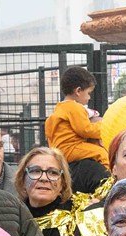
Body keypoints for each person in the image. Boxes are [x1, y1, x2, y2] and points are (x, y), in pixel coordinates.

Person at [46, 66, 110, 195]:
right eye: (88, 93)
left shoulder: (60, 108)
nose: (89, 98)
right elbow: (86, 130)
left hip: (59, 150)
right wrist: (104, 126)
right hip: (71, 148)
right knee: (101, 153)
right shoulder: (75, 107)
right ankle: (110, 180)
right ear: (78, 91)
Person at [16, 146, 78, 236]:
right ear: (22, 180)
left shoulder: (78, 218)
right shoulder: (13, 218)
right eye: (35, 171)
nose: (44, 178)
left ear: (62, 183)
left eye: (53, 173)